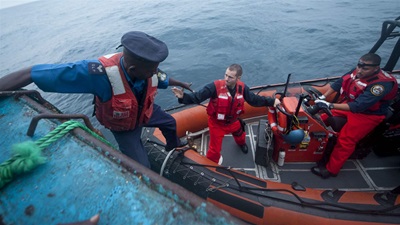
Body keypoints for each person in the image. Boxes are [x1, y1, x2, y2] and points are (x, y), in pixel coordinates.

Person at [0, 31, 193, 168]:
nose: (155, 73)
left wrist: (180, 82)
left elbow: (160, 77)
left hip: (145, 112)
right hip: (124, 126)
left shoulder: (147, 69)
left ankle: (172, 146)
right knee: (142, 166)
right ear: (134, 69)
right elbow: (34, 73)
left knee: (169, 123)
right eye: (152, 70)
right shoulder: (98, 73)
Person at [312, 53, 398, 178]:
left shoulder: (380, 86)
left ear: (376, 68)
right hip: (351, 106)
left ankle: (331, 170)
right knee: (321, 117)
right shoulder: (357, 71)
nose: (360, 70)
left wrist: (329, 105)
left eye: (365, 69)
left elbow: (358, 106)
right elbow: (339, 83)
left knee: (345, 140)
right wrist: (323, 97)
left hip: (369, 115)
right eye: (359, 66)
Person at [171, 64, 280, 164]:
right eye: (226, 75)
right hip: (217, 124)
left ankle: (241, 144)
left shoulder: (242, 88)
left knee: (240, 136)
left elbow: (254, 100)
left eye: (230, 77)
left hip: (233, 121)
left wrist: (271, 101)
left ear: (238, 78)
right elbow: (197, 97)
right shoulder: (214, 87)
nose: (226, 79)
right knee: (214, 150)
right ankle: (211, 166)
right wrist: (183, 97)